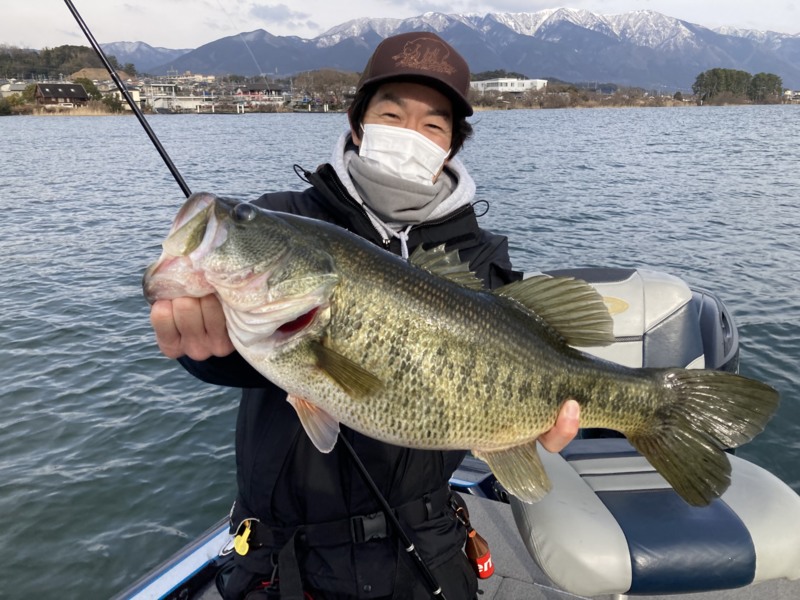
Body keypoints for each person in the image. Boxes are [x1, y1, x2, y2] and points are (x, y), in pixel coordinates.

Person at [150, 31, 580, 600]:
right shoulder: (287, 216)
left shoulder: (479, 257)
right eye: (391, 112)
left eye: (433, 125)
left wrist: (523, 432)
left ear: (450, 148)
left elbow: (524, 370)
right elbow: (234, 356)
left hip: (426, 546)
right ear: (357, 123)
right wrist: (200, 341)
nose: (410, 135)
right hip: (282, 557)